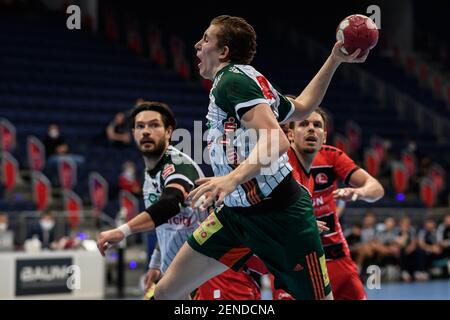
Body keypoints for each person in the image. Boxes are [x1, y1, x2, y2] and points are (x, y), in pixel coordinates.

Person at [98, 15, 368, 300]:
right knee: (166, 291)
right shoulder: (247, 80)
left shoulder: (232, 81)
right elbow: (302, 107)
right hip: (236, 216)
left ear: (224, 51)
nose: (197, 45)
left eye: (205, 39)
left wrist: (231, 179)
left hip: (283, 217)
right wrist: (334, 59)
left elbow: (276, 139)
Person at [98, 102, 262, 300]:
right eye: (140, 126)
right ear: (133, 132)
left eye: (154, 125)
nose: (146, 131)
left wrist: (122, 231)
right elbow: (166, 223)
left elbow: (170, 204)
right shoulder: (150, 173)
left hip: (211, 277)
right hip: (184, 279)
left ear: (168, 132)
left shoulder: (178, 164)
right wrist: (156, 263)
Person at [279, 108, 384, 300]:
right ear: (290, 134)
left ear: (324, 136)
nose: (311, 129)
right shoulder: (276, 163)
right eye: (304, 124)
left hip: (335, 256)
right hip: (293, 261)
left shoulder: (331, 157)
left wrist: (358, 193)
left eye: (317, 125)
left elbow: (376, 189)